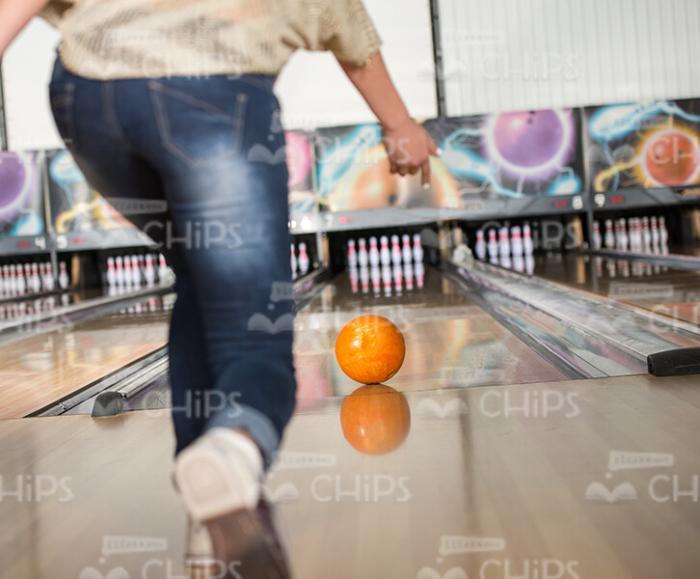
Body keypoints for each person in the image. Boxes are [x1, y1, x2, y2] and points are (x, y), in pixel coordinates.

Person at [0, 0, 438, 574]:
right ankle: (235, 451)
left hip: (89, 101)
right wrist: (400, 124)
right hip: (212, 96)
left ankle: (208, 516)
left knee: (200, 277)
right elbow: (346, 27)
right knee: (255, 329)